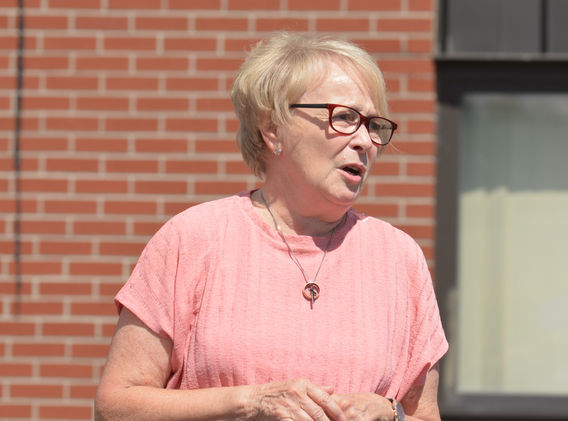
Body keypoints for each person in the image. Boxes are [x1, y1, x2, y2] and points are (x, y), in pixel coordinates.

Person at [95, 32, 448, 421]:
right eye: (345, 117)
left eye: (373, 124)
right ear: (273, 129)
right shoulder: (193, 239)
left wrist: (390, 414)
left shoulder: (398, 258)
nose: (365, 141)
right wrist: (250, 402)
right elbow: (114, 408)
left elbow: (423, 414)